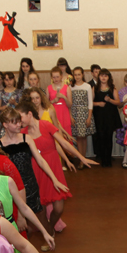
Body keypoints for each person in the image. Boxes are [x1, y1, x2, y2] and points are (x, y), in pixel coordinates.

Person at [16, 99, 96, 241]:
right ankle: (48, 233)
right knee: (40, 207)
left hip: (54, 168)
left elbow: (63, 143)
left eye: (20, 117)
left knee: (58, 208)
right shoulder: (22, 133)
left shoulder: (46, 125)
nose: (18, 121)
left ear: (29, 114)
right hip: (36, 169)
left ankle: (50, 227)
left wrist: (81, 158)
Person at [91, 69, 120, 168]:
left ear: (109, 77)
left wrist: (110, 100)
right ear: (98, 77)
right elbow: (90, 103)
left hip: (110, 117)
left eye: (105, 76)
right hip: (99, 117)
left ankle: (108, 159)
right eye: (101, 75)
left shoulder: (112, 88)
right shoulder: (95, 88)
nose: (103, 78)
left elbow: (118, 102)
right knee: (101, 137)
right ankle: (103, 159)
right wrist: (98, 103)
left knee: (109, 137)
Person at [69, 67, 95, 164]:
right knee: (78, 137)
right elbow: (69, 103)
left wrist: (89, 117)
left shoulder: (87, 86)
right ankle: (81, 159)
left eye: (79, 74)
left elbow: (90, 103)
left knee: (83, 137)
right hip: (75, 113)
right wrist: (70, 116)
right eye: (75, 75)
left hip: (84, 113)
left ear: (82, 75)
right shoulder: (70, 87)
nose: (77, 77)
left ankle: (83, 159)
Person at [47, 67, 72, 136]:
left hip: (64, 113)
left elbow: (70, 105)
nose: (56, 79)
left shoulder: (67, 88)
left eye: (57, 77)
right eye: (54, 77)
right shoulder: (48, 88)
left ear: (61, 76)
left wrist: (64, 97)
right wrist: (53, 101)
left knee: (66, 134)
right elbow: (45, 105)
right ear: (51, 78)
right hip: (54, 113)